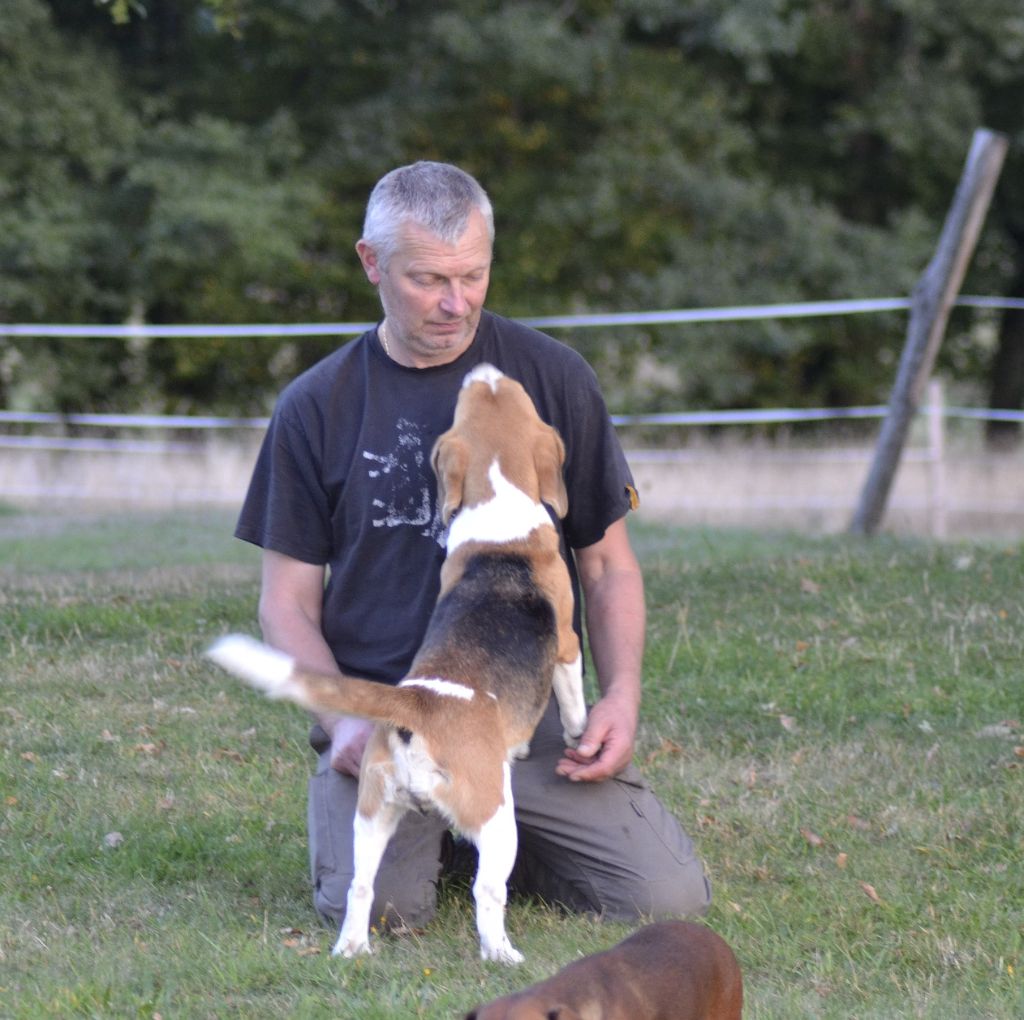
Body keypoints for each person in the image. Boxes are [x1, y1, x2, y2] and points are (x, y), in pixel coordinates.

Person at [235, 161, 711, 934]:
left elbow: (607, 564)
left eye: (474, 276)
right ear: (371, 263)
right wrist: (343, 724)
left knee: (666, 900)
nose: (456, 303)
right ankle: (438, 837)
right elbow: (286, 600)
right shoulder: (316, 406)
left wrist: (620, 694)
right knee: (386, 916)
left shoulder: (553, 378)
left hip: (523, 714)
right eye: (428, 280)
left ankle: (490, 825)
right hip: (397, 716)